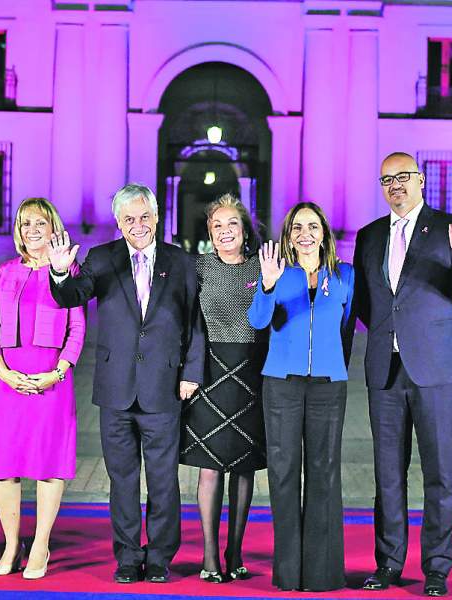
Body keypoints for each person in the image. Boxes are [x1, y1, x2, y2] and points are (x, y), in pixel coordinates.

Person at [47, 183, 204, 584]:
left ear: (157, 216)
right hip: (116, 389)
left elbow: (194, 323)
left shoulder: (182, 262)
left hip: (164, 388)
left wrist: (191, 372)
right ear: (118, 222)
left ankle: (160, 557)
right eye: (129, 218)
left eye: (145, 216)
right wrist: (60, 272)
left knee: (164, 481)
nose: (138, 225)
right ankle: (129, 556)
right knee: (122, 480)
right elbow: (72, 296)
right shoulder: (102, 259)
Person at [353, 152, 452, 597]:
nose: (395, 185)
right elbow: (366, 303)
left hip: (437, 371)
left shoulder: (449, 228)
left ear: (421, 180)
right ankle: (389, 563)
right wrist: (390, 333)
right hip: (385, 371)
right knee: (388, 475)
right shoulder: (369, 235)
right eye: (386, 179)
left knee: (440, 474)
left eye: (403, 177)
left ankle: (436, 567)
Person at [247, 202, 354, 592]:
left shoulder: (344, 275)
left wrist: (331, 362)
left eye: (312, 226)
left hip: (328, 385)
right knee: (283, 473)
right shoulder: (278, 272)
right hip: (281, 384)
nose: (305, 234)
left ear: (324, 233)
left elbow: (346, 328)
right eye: (297, 228)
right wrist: (267, 285)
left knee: (324, 473)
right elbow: (258, 320)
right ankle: (289, 572)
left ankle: (322, 574)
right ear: (288, 237)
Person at [0, 198, 85, 579]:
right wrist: (2, 371)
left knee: (48, 464)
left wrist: (58, 373)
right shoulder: (5, 271)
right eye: (25, 223)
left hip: (52, 380)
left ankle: (41, 544)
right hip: (9, 380)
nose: (32, 230)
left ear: (53, 228)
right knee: (4, 466)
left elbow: (77, 327)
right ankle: (12, 545)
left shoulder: (68, 271)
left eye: (40, 223)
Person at [179, 194, 265, 583]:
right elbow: (187, 325)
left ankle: (236, 551)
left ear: (245, 230)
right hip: (210, 373)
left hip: (251, 374)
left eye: (232, 224)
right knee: (210, 467)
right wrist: (188, 372)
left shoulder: (263, 266)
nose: (225, 231)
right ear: (209, 233)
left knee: (245, 467)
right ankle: (210, 556)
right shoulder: (197, 268)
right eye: (217, 225)